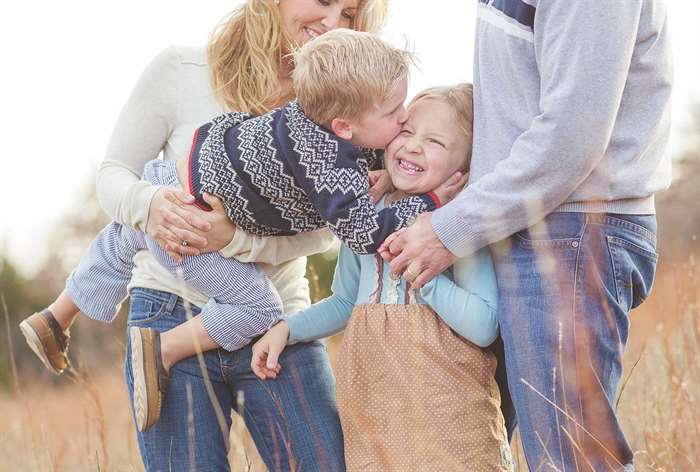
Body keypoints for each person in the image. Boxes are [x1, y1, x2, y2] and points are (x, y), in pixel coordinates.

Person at [20, 29, 465, 433]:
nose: (403, 118)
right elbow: (363, 231)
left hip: (172, 176)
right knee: (258, 306)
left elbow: (358, 155)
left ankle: (56, 315)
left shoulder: (312, 111)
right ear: (345, 127)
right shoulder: (329, 163)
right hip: (191, 224)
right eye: (393, 111)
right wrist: (427, 202)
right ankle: (164, 350)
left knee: (123, 239)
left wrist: (383, 172)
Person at [380, 1, 672, 470]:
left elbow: (571, 137)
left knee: (569, 458)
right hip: (522, 225)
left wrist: (451, 229)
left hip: (571, 229)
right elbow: (513, 116)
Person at [252, 84, 514, 471]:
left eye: (435, 141)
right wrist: (287, 329)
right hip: (374, 419)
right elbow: (345, 302)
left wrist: (423, 274)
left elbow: (483, 325)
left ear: (462, 171)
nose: (412, 146)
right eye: (406, 132)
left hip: (450, 417)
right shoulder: (367, 216)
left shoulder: (455, 225)